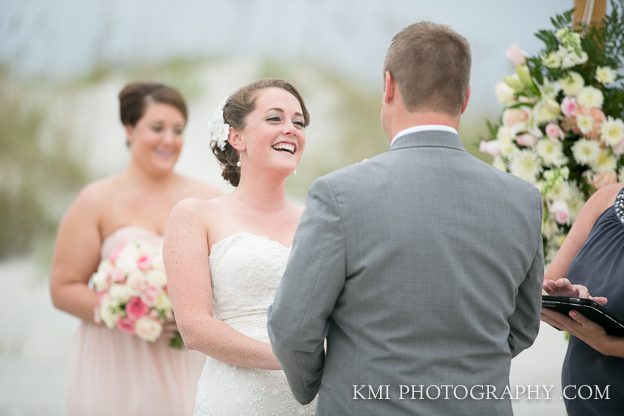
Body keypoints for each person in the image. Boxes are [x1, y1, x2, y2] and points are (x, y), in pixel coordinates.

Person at [267, 21, 544, 416]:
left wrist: (321, 382)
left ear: (389, 87)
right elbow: (521, 327)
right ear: (464, 99)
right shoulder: (523, 200)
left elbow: (292, 328)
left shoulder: (340, 195)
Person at [49, 81, 221, 416]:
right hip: (118, 358)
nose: (169, 140)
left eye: (178, 130)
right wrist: (129, 313)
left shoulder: (208, 199)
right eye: (157, 128)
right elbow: (63, 288)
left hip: (187, 359)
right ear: (129, 128)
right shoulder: (96, 201)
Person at [163, 78, 316, 415]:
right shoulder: (196, 215)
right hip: (236, 398)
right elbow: (195, 329)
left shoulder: (319, 220)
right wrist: (290, 360)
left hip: (313, 400)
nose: (290, 129)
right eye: (275, 118)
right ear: (236, 136)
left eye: (299, 122)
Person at [542, 182, 624, 415]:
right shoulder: (606, 198)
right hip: (588, 395)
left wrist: (609, 346)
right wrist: (567, 297)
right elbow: (543, 290)